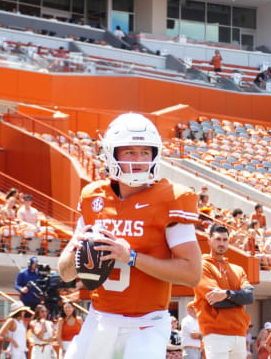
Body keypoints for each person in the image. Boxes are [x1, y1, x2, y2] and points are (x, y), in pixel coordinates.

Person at [58, 113, 202, 359]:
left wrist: (131, 257)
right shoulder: (94, 197)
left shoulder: (171, 198)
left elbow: (192, 274)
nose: (139, 160)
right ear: (112, 154)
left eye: (145, 153)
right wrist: (76, 251)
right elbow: (66, 273)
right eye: (130, 152)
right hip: (100, 317)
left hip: (146, 323)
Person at [194, 224, 254, 359]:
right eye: (218, 239)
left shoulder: (238, 269)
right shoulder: (203, 266)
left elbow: (250, 296)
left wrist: (227, 294)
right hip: (216, 333)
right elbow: (216, 302)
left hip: (239, 333)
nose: (221, 243)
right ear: (209, 241)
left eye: (225, 240)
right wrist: (239, 299)